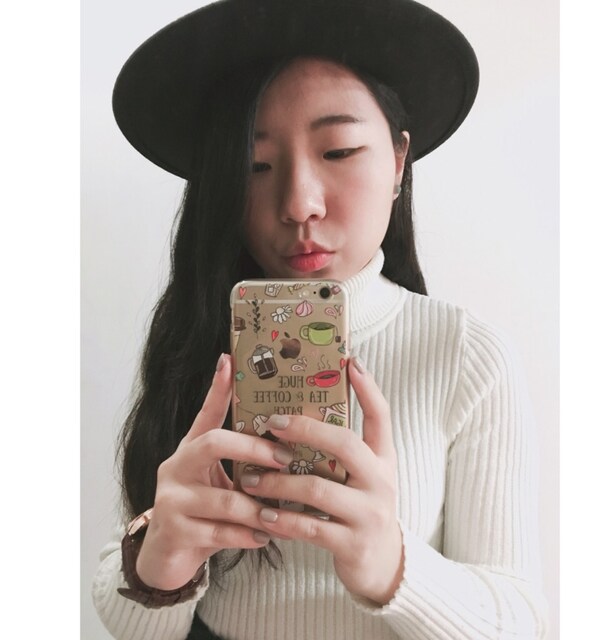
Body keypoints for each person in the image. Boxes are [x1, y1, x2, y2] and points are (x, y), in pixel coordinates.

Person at [92, 0, 549, 638]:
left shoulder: (466, 355)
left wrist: (393, 566)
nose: (299, 204)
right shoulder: (197, 341)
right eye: (255, 165)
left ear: (398, 160)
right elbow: (131, 621)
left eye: (338, 150)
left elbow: (522, 621)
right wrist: (159, 562)